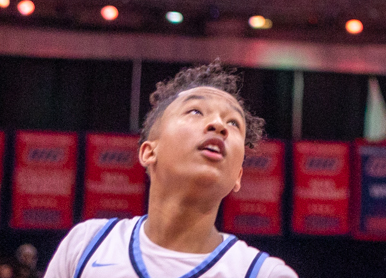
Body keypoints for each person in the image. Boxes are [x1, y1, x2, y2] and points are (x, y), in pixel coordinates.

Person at [40, 64, 293, 278]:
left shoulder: (265, 273)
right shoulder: (85, 245)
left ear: (238, 175)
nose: (218, 125)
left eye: (233, 123)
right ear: (149, 152)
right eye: (195, 111)